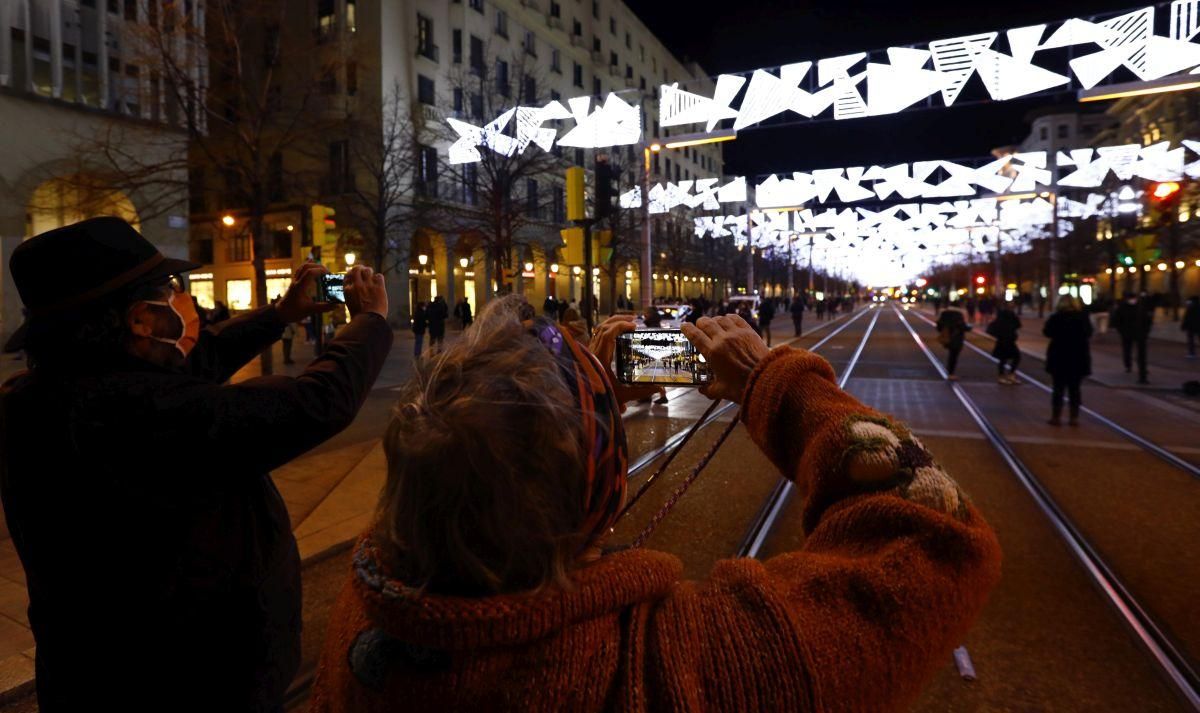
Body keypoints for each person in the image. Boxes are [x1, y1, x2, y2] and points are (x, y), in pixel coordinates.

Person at [311, 300, 1001, 712]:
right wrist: (771, 380)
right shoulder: (669, 669)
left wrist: (573, 395)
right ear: (600, 492)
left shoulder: (365, 610)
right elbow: (937, 530)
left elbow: (466, 457)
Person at [0, 217, 393, 711]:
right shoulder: (145, 414)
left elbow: (193, 361)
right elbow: (317, 402)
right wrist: (371, 322)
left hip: (92, 675)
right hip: (196, 681)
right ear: (141, 318)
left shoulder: (43, 398)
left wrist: (277, 315)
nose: (180, 298)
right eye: (169, 289)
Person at [1043, 295, 1093, 426]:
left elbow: (1047, 332)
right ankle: (1074, 417)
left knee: (1058, 388)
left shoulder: (1056, 317)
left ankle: (1056, 416)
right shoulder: (1082, 318)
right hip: (1078, 357)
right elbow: (1089, 333)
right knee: (1075, 389)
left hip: (1059, 356)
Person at [1112, 291, 1153, 384]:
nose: (1133, 300)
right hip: (1127, 333)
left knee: (1140, 353)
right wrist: (1121, 331)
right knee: (1127, 350)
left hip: (1139, 333)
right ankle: (1128, 365)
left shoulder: (1141, 308)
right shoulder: (1122, 308)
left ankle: (1142, 371)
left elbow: (1147, 320)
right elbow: (1117, 320)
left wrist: (1146, 331)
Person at [986, 306, 1021, 384]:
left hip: (1002, 342)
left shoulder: (999, 320)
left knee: (1003, 359)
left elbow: (990, 330)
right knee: (1015, 357)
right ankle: (1009, 375)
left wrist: (998, 335)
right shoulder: (1011, 318)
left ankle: (1003, 376)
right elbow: (1018, 325)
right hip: (1009, 341)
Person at [936, 306, 970, 380]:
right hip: (957, 338)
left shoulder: (944, 313)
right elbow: (963, 327)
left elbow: (939, 326)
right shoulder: (960, 314)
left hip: (947, 336)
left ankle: (950, 371)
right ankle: (951, 372)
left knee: (952, 355)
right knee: (954, 355)